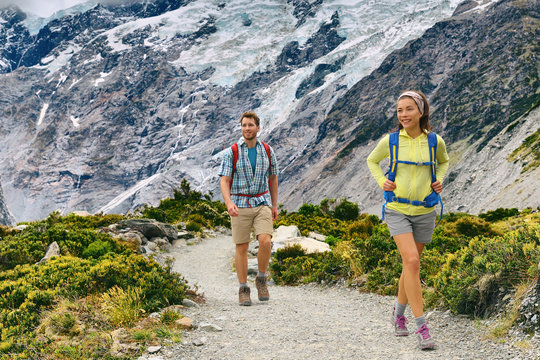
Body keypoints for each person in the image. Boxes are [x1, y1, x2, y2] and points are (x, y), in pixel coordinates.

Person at [366, 90, 449, 350]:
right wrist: (383, 182)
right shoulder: (391, 141)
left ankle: (398, 314)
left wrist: (440, 180)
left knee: (409, 266)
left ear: (421, 111)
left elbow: (444, 162)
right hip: (397, 209)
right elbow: (372, 160)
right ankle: (422, 327)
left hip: (426, 211)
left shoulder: (435, 141)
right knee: (412, 261)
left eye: (409, 109)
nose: (403, 114)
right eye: (400, 110)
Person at [219, 111, 279, 306]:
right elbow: (225, 180)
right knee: (242, 247)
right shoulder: (232, 152)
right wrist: (228, 202)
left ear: (258, 128)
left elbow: (273, 178)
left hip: (262, 202)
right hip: (240, 203)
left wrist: (274, 204)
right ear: (241, 127)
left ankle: (261, 279)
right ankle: (243, 288)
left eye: (251, 125)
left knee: (265, 241)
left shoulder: (268, 151)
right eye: (244, 125)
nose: (247, 128)